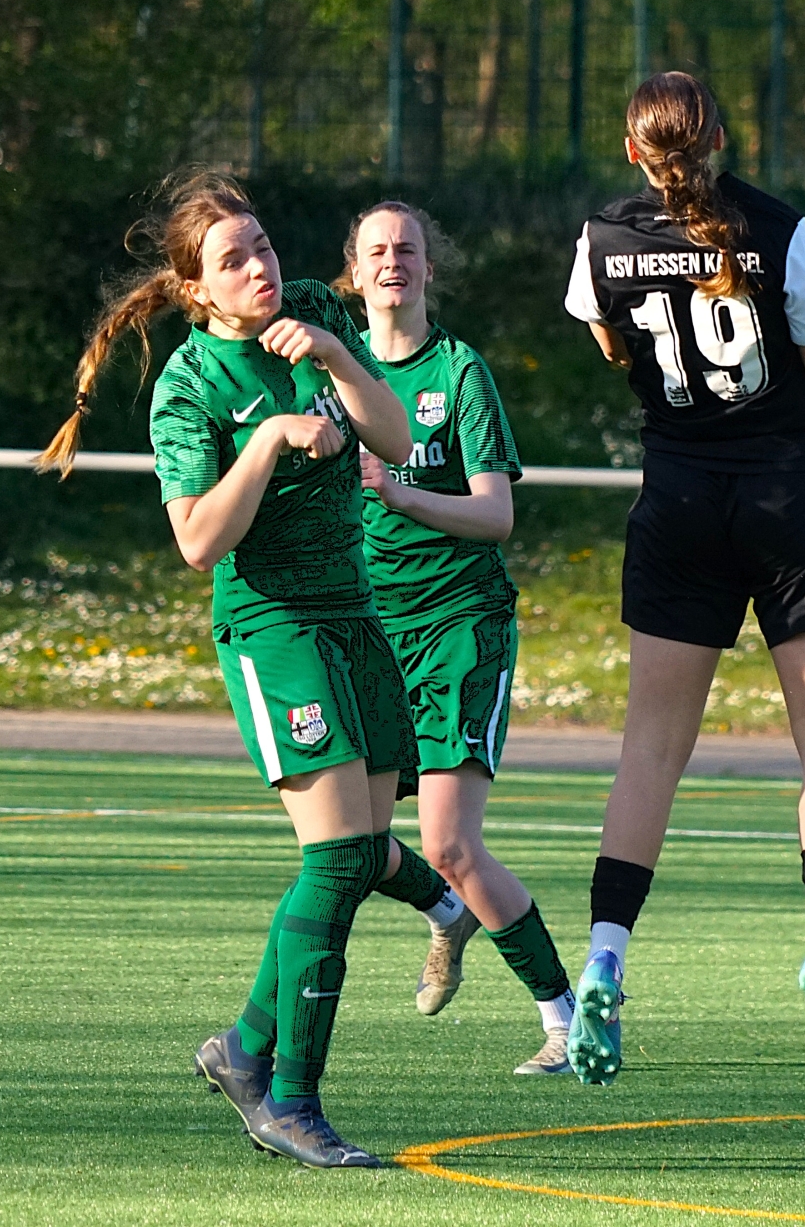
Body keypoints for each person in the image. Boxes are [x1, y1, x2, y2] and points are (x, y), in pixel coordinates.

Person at [36, 170, 448, 1168]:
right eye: (233, 260)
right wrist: (265, 441)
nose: (260, 267)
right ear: (197, 289)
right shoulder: (190, 388)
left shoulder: (312, 313)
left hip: (354, 616)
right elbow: (198, 541)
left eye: (261, 246)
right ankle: (290, 1101)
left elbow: (399, 439)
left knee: (357, 855)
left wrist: (337, 354)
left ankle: (243, 1048)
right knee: (338, 857)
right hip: (273, 628)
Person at [562, 71, 805, 1086]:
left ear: (633, 148)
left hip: (679, 502)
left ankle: (605, 959)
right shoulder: (777, 229)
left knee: (650, 751)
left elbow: (609, 343)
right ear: (720, 136)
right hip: (789, 498)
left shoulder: (601, 237)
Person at [341, 199, 579, 1073]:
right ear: (354, 274)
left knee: (448, 843)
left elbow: (496, 514)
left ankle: (569, 1020)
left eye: (407, 249)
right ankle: (446, 913)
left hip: (458, 624)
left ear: (428, 269)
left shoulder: (459, 371)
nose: (393, 261)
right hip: (369, 631)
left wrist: (400, 493)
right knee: (351, 848)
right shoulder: (336, 374)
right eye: (377, 250)